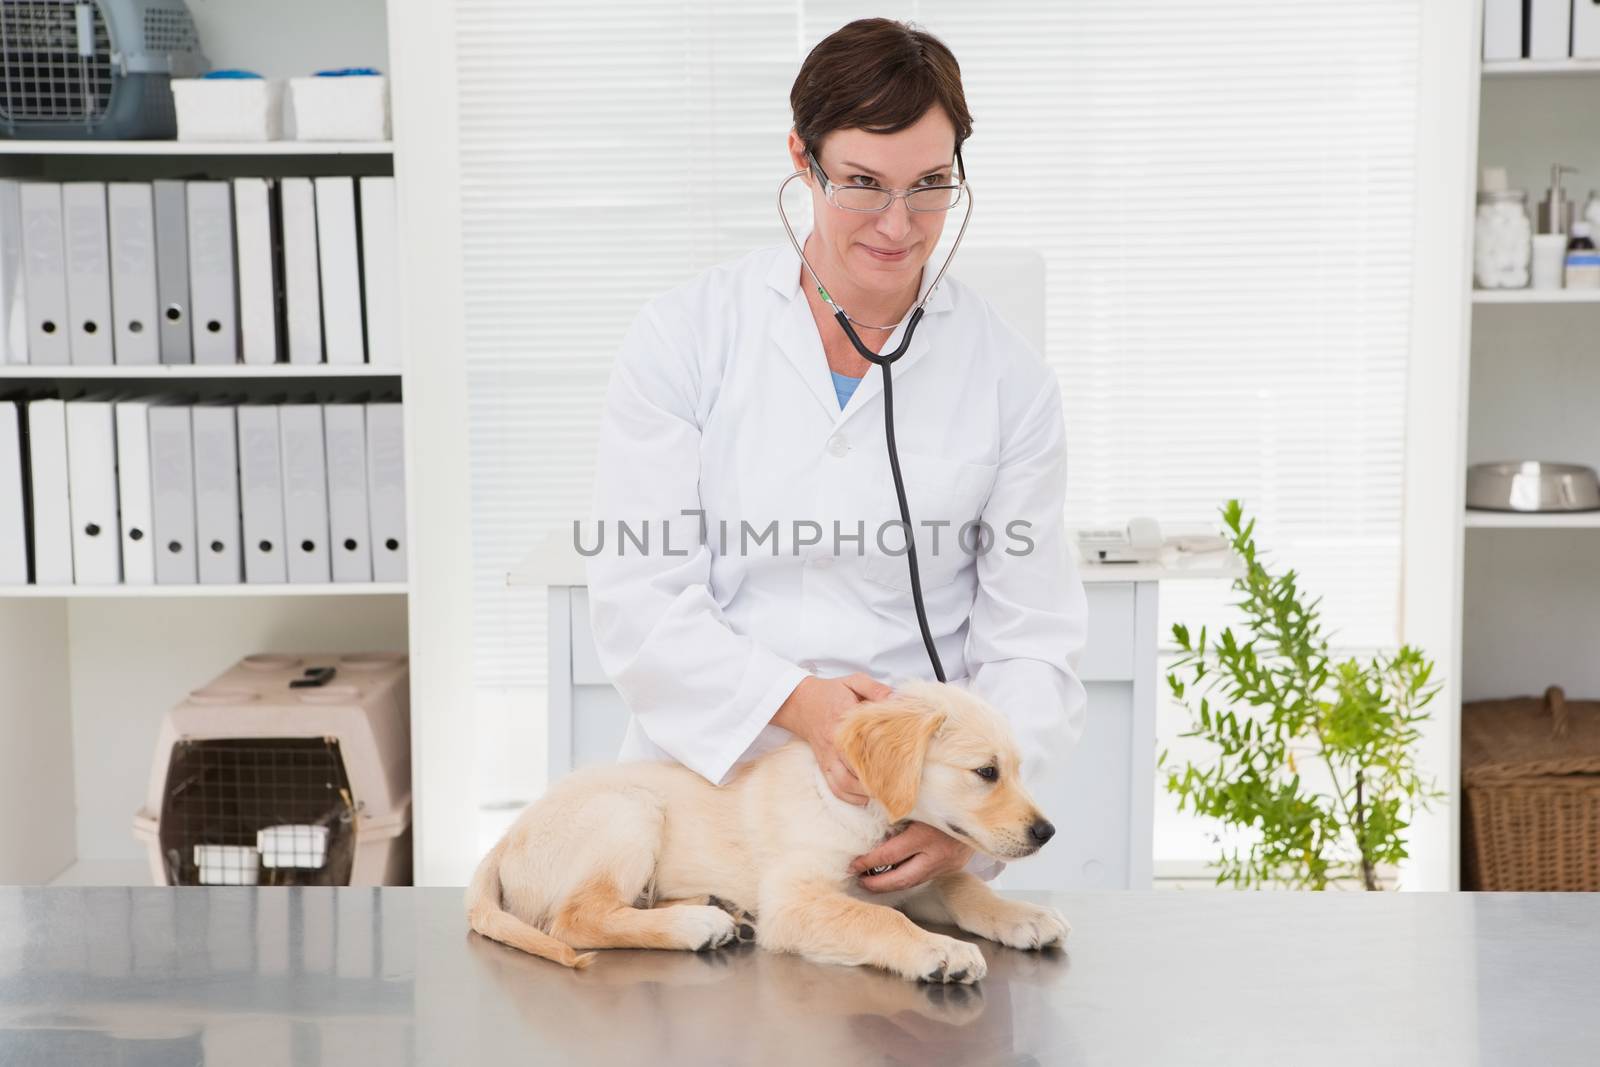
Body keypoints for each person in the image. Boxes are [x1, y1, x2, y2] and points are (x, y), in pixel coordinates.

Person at [585, 18, 1088, 893]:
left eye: (931, 185)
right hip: (708, 814)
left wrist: (967, 822)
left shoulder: (1011, 381)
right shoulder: (687, 338)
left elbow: (1032, 643)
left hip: (903, 835)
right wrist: (801, 705)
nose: (899, 225)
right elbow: (640, 601)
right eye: (862, 184)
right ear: (801, 159)